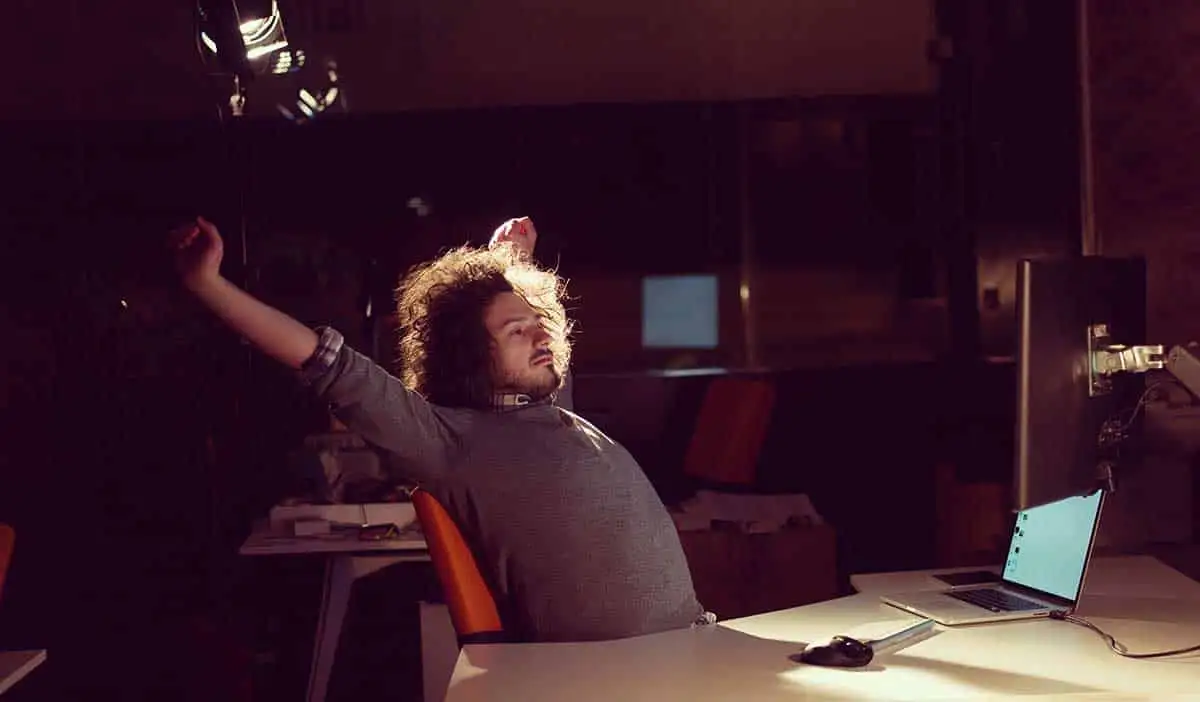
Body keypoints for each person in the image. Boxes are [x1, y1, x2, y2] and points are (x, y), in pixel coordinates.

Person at [168, 215, 713, 642]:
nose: (541, 335)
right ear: (470, 354)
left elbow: (532, 362)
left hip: (694, 647)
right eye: (516, 330)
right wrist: (208, 286)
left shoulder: (550, 410)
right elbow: (324, 361)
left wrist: (511, 261)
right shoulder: (448, 441)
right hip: (617, 676)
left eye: (539, 322)